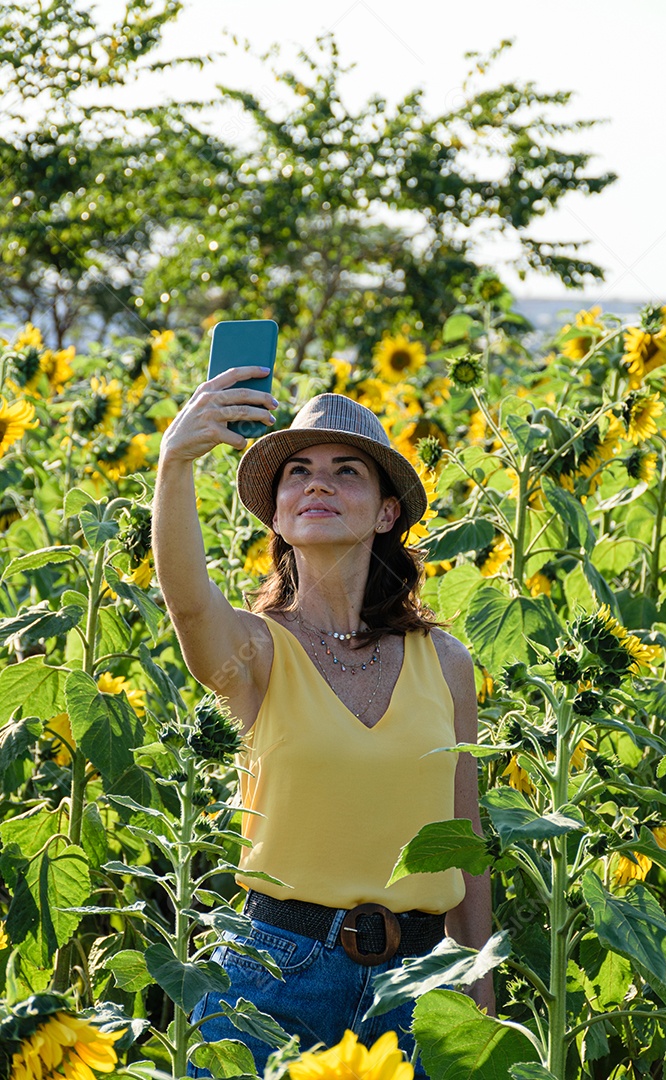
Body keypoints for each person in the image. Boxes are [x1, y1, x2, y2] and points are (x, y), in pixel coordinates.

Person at [152, 365, 494, 1077]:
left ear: (386, 513)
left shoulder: (447, 661)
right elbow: (187, 604)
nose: (319, 484)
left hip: (422, 981)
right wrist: (175, 461)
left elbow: (464, 842)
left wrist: (480, 992)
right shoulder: (255, 650)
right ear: (275, 515)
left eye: (347, 472)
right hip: (275, 976)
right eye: (298, 472)